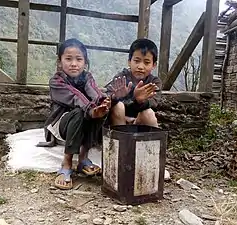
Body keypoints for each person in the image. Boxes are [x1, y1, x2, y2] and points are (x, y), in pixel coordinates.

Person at [44, 38, 111, 190]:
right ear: (60, 62)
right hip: (61, 125)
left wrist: (103, 103)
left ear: (85, 63)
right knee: (79, 112)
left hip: (83, 120)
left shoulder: (87, 77)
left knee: (101, 111)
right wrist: (91, 109)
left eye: (78, 59)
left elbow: (94, 91)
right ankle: (67, 163)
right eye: (68, 59)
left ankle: (83, 158)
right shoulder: (57, 81)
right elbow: (75, 97)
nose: (74, 64)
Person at [105, 38, 161, 127]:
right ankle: (120, 139)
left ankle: (150, 140)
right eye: (136, 61)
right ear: (129, 62)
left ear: (153, 65)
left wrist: (139, 101)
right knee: (118, 107)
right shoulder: (121, 78)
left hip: (139, 123)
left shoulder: (153, 83)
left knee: (148, 113)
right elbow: (106, 96)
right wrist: (115, 97)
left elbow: (153, 103)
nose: (140, 66)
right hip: (119, 122)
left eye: (146, 62)